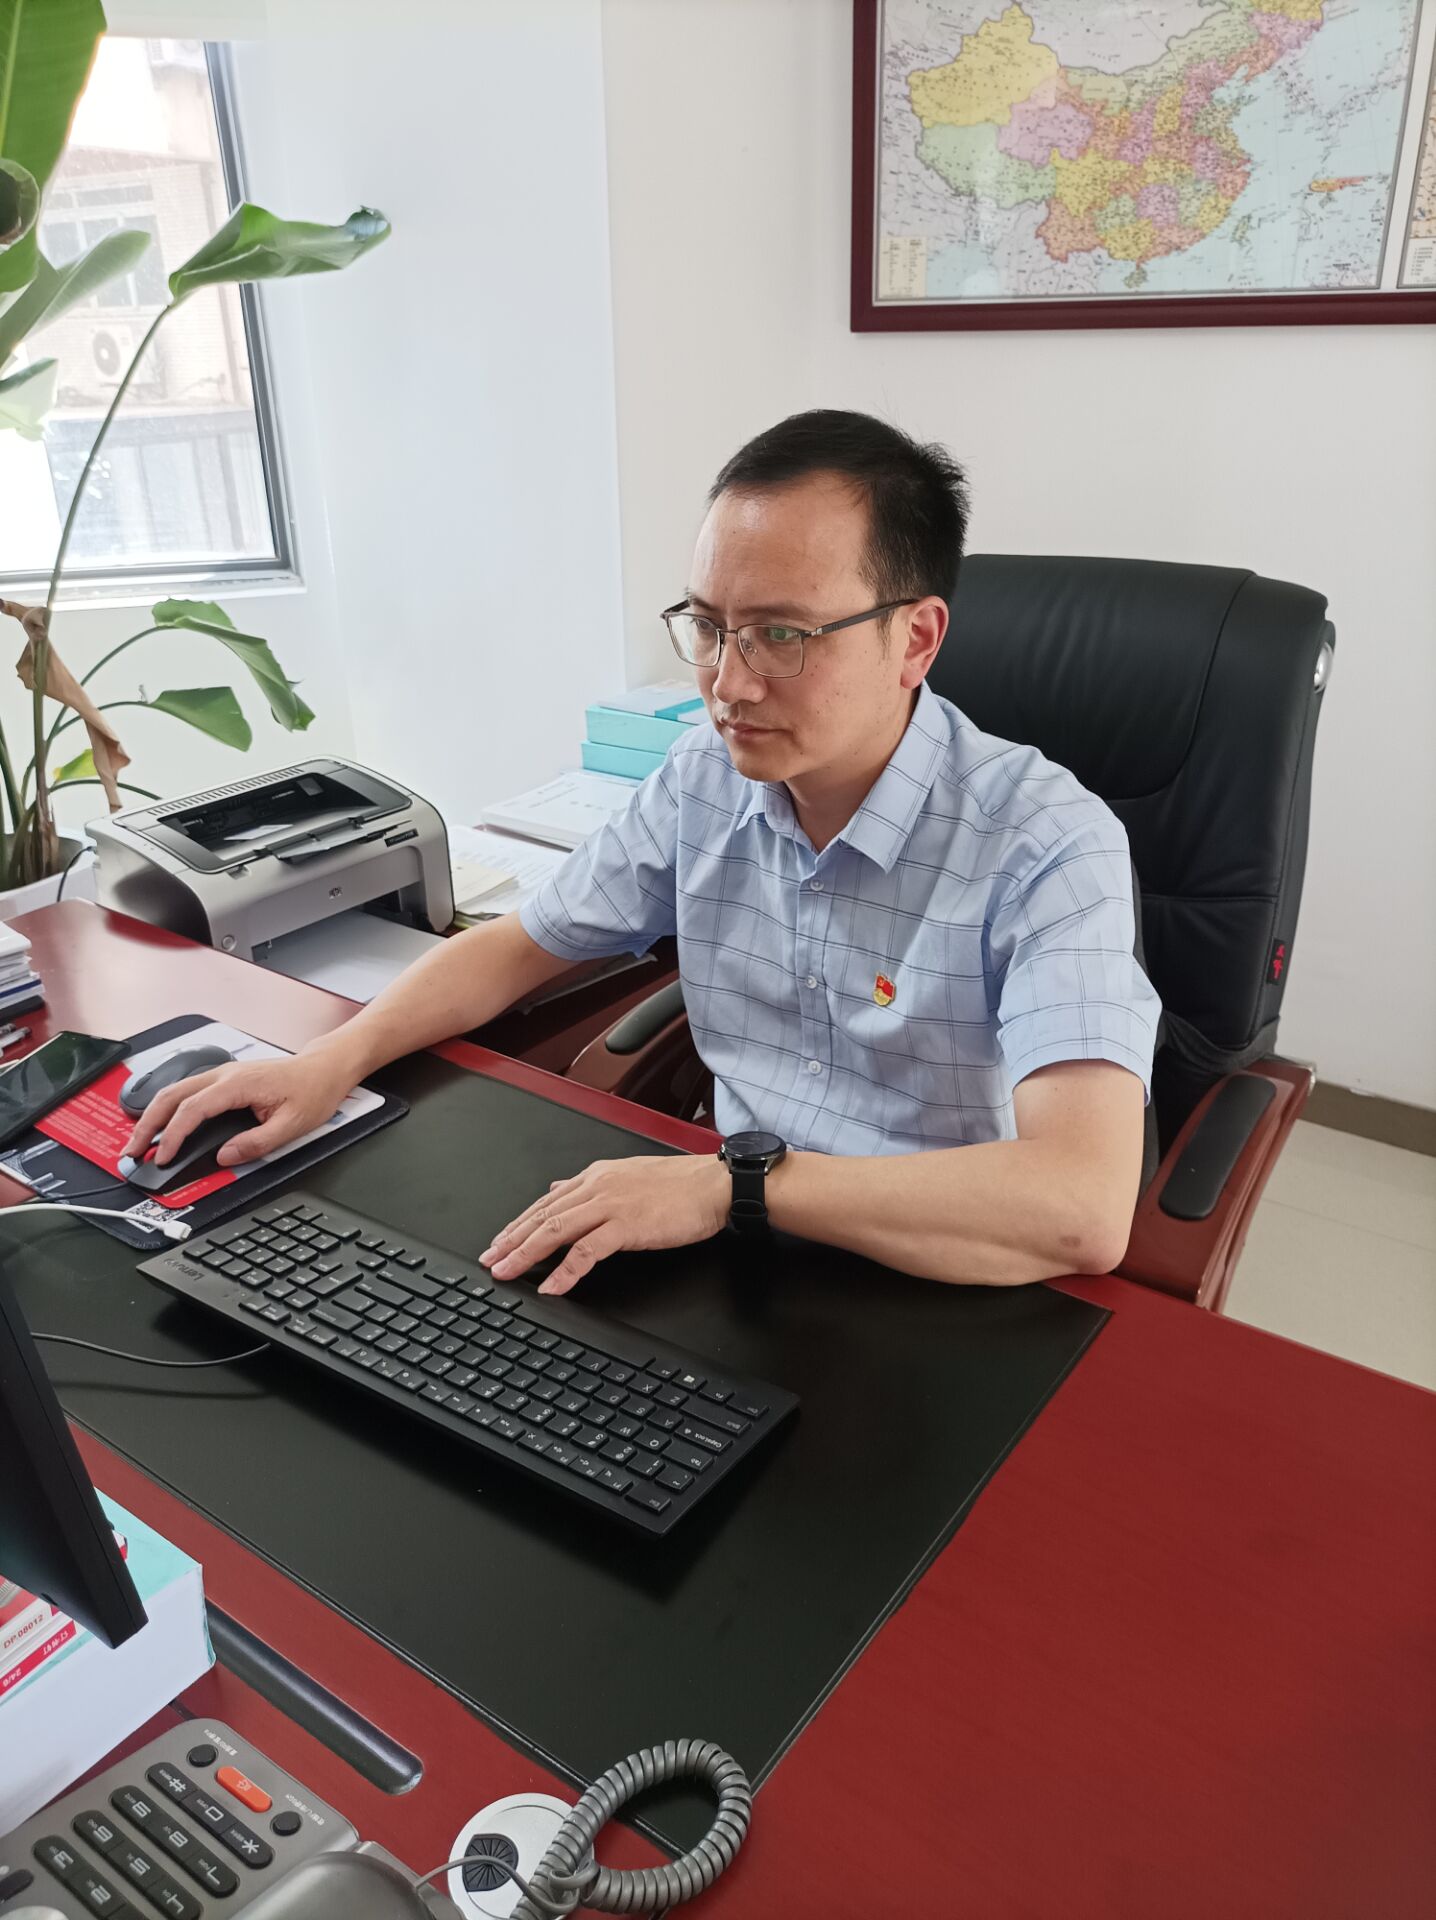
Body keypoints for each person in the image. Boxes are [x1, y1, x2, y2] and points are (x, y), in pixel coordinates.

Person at [126, 410, 1161, 1295]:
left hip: (942, 1266)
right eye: (709, 626)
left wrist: (732, 1185)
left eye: (782, 636)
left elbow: (1078, 1207)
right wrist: (329, 1062)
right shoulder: (705, 777)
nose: (728, 685)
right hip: (733, 1244)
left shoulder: (1045, 843)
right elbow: (517, 947)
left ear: (916, 639)